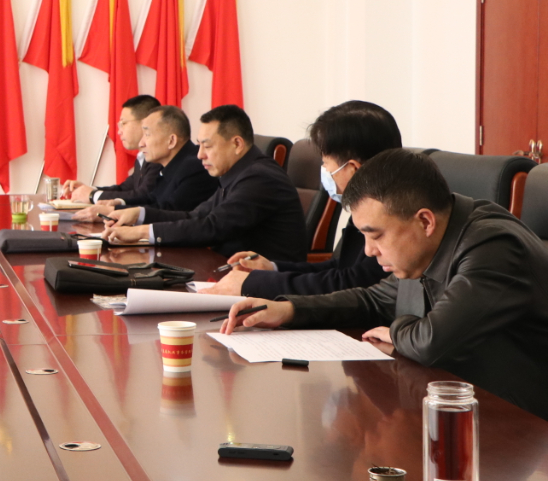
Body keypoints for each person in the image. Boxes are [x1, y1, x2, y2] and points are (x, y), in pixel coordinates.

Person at [220, 150, 548, 419]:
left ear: (424, 221)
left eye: (376, 236)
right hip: (462, 402)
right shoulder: (429, 245)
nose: (368, 251)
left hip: (525, 431)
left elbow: (432, 342)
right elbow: (374, 300)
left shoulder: (494, 248)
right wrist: (288, 309)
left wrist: (396, 330)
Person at [206, 101, 401, 297]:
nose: (324, 171)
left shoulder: (392, 214)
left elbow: (354, 283)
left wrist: (255, 283)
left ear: (353, 169)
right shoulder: (369, 203)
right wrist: (272, 268)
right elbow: (342, 267)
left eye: (325, 163)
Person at [102, 104, 307, 261]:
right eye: (199, 145)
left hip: (264, 285)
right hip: (229, 270)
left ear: (237, 144)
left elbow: (212, 227)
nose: (200, 155)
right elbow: (196, 215)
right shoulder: (238, 173)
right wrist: (139, 215)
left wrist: (140, 232)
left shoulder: (259, 178)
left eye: (207, 146)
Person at [72, 106, 216, 220]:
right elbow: (152, 198)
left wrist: (112, 212)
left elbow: (168, 211)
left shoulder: (195, 166)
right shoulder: (174, 164)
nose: (141, 144)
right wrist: (119, 203)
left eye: (147, 135)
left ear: (171, 141)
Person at [62, 94, 161, 204]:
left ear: (145, 123)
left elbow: (143, 195)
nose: (119, 131)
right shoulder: (142, 156)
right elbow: (124, 189)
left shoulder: (159, 156)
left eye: (124, 123)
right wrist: (89, 190)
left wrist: (92, 195)